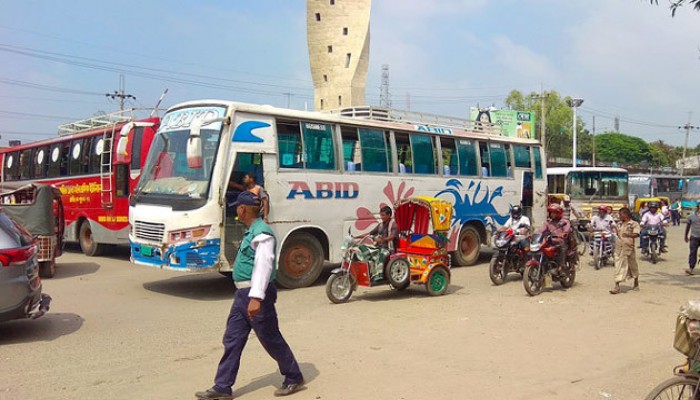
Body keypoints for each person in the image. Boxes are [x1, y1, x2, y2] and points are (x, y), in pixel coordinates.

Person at [196, 192, 304, 400]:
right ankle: (222, 386)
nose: (236, 210)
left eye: (238, 207)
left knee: (270, 337)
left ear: (243, 209)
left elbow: (264, 266)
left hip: (256, 294)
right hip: (242, 295)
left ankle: (293, 377)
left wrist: (256, 298)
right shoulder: (251, 232)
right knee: (233, 339)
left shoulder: (262, 233)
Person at [356, 206, 397, 280]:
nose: (381, 217)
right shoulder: (380, 225)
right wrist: (356, 237)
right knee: (362, 249)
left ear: (389, 215)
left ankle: (379, 276)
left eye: (383, 215)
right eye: (381, 215)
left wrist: (381, 240)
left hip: (389, 249)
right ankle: (368, 273)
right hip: (379, 247)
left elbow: (392, 237)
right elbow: (370, 233)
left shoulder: (393, 224)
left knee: (381, 254)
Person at [610, 207, 640, 294]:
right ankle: (617, 286)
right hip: (619, 248)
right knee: (618, 266)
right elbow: (618, 234)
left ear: (625, 215)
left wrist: (629, 235)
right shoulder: (619, 224)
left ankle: (636, 281)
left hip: (629, 248)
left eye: (620, 215)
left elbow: (636, 234)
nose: (619, 216)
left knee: (632, 265)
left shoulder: (633, 224)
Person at [538, 203, 572, 267]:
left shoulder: (564, 221)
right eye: (551, 212)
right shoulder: (548, 222)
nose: (552, 214)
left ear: (558, 213)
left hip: (560, 241)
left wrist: (563, 234)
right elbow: (541, 230)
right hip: (550, 240)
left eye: (554, 213)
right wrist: (535, 234)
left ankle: (562, 265)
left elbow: (567, 230)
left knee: (562, 246)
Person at [685, 204, 700, 275]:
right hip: (694, 237)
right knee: (693, 253)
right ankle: (691, 268)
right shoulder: (691, 217)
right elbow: (688, 226)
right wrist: (686, 236)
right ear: (697, 208)